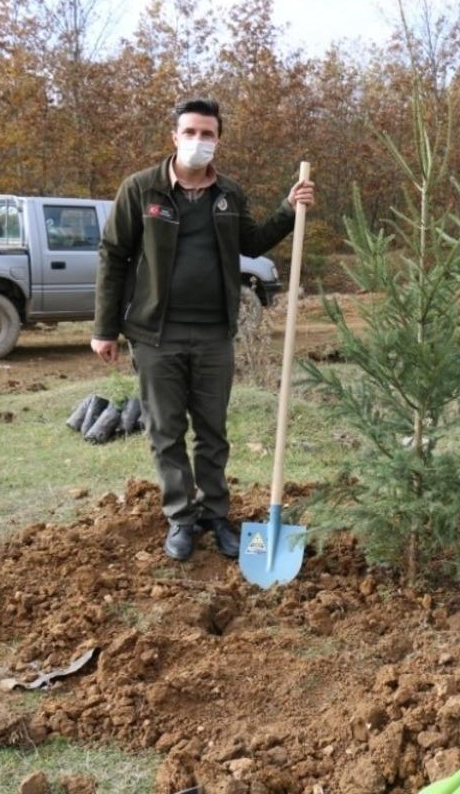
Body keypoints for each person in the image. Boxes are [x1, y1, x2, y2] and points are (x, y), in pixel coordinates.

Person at [91, 98, 315, 562]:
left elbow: (250, 242)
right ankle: (180, 518)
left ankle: (215, 513)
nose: (198, 141)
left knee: (212, 432)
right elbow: (113, 257)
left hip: (214, 333)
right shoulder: (141, 191)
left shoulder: (228, 195)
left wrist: (288, 209)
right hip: (156, 335)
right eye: (190, 132)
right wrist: (104, 328)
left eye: (207, 134)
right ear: (174, 137)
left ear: (218, 140)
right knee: (165, 431)